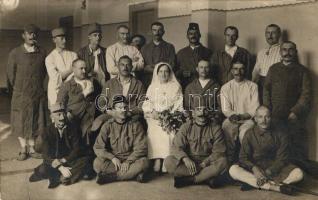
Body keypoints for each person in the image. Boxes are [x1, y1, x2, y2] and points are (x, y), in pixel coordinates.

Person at [229, 106, 304, 195]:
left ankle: (257, 183)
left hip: (275, 168)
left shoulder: (281, 133)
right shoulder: (249, 134)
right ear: (255, 119)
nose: (263, 120)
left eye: (267, 117)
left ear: (271, 118)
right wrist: (255, 169)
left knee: (299, 173)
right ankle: (276, 187)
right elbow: (243, 157)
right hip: (256, 168)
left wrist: (269, 172)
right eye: (260, 117)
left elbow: (282, 158)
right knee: (233, 170)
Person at [263, 41, 312, 170]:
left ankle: (295, 171)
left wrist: (296, 112)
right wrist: (268, 110)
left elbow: (306, 95)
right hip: (275, 115)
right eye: (284, 50)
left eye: (291, 50)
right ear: (280, 52)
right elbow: (266, 90)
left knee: (294, 145)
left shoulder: (302, 71)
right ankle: (274, 170)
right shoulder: (273, 69)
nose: (287, 53)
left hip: (294, 117)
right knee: (275, 143)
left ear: (295, 52)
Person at [6, 24, 48, 160]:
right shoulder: (15, 53)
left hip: (37, 93)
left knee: (35, 120)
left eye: (34, 33)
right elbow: (10, 75)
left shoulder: (42, 52)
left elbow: (45, 73)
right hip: (21, 94)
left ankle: (32, 149)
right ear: (23, 35)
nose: (32, 36)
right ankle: (23, 149)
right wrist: (20, 88)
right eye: (29, 33)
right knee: (20, 121)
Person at [29, 103, 91, 188]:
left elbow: (76, 150)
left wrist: (63, 160)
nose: (62, 117)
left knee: (85, 161)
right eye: (58, 115)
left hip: (69, 159)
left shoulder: (73, 128)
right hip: (55, 160)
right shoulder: (46, 132)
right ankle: (62, 175)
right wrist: (60, 167)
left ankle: (58, 177)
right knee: (42, 170)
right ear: (52, 118)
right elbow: (46, 155)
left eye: (63, 114)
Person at [165, 105, 228, 188]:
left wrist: (205, 163)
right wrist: (185, 159)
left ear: (208, 113)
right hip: (189, 163)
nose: (202, 113)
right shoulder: (186, 127)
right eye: (198, 109)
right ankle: (206, 178)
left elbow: (219, 151)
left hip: (208, 162)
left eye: (205, 110)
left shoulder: (216, 128)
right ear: (193, 114)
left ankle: (191, 180)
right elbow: (176, 147)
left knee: (223, 162)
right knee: (168, 161)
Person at [93, 95, 149, 184]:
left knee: (144, 163)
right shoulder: (108, 125)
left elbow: (141, 148)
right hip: (115, 161)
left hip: (131, 159)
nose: (123, 110)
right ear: (113, 110)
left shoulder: (135, 125)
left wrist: (128, 161)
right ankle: (133, 175)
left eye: (125, 107)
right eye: (119, 108)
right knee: (97, 163)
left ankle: (111, 177)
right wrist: (112, 158)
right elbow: (98, 147)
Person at [142, 62, 183, 173]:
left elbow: (179, 104)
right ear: (157, 73)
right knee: (154, 127)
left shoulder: (176, 86)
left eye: (166, 71)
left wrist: (169, 115)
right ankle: (157, 159)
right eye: (161, 71)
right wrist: (153, 112)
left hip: (170, 116)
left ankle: (166, 158)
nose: (163, 74)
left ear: (169, 73)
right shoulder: (152, 87)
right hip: (155, 116)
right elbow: (147, 103)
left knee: (167, 127)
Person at [220, 59, 259, 164]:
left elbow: (255, 107)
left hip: (248, 119)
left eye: (242, 69)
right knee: (226, 127)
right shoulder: (225, 87)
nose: (238, 72)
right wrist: (234, 116)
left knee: (245, 133)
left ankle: (246, 161)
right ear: (232, 71)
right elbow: (225, 108)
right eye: (235, 69)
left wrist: (242, 116)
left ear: (245, 71)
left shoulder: (253, 86)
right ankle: (230, 160)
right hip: (232, 119)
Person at [92, 55, 146, 132]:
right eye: (122, 65)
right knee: (98, 123)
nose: (125, 67)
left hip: (130, 115)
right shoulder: (109, 83)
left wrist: (129, 112)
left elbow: (143, 104)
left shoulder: (138, 84)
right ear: (118, 66)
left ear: (131, 67)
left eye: (128, 65)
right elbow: (101, 102)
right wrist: (109, 111)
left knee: (134, 127)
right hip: (112, 114)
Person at [56, 59, 101, 145]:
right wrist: (84, 94)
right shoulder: (67, 85)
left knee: (92, 130)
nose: (84, 71)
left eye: (85, 68)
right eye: (81, 68)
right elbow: (60, 104)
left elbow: (100, 98)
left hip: (91, 115)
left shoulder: (93, 82)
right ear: (73, 69)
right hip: (73, 116)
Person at [46, 27, 77, 109]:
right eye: (62, 39)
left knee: (71, 116)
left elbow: (76, 74)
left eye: (65, 38)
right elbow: (55, 78)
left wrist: (65, 77)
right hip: (55, 92)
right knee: (57, 117)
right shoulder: (50, 58)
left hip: (71, 91)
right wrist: (71, 70)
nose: (65, 41)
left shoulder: (73, 55)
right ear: (54, 40)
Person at [176, 23, 213, 88]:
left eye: (196, 33)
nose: (193, 36)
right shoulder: (181, 53)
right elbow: (175, 72)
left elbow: (213, 71)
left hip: (203, 86)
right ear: (187, 36)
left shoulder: (208, 52)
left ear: (199, 35)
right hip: (185, 86)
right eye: (191, 34)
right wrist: (182, 73)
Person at [252, 24, 281, 103]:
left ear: (279, 34)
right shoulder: (261, 52)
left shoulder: (283, 51)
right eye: (268, 33)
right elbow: (256, 72)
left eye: (273, 33)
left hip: (275, 86)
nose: (270, 35)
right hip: (261, 85)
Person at [141, 22, 176, 87]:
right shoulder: (144, 48)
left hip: (165, 81)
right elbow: (143, 67)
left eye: (159, 30)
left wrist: (152, 68)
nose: (157, 33)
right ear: (151, 32)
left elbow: (171, 65)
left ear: (163, 32)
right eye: (154, 30)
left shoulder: (169, 47)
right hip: (148, 81)